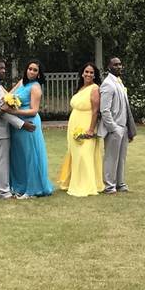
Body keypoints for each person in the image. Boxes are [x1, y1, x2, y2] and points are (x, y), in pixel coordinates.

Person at [0, 57, 34, 200]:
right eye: (0, 68)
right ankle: (5, 193)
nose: (4, 70)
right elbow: (3, 112)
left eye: (4, 68)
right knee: (0, 161)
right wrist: (23, 124)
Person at [57, 62, 104, 197]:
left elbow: (95, 111)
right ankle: (74, 181)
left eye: (91, 72)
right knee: (76, 154)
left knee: (85, 154)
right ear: (82, 73)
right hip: (74, 124)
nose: (88, 74)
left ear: (95, 76)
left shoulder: (95, 89)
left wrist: (90, 129)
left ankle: (87, 185)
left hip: (86, 124)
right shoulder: (80, 87)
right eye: (86, 72)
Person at [8, 60, 53, 198]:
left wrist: (14, 112)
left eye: (35, 70)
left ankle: (32, 189)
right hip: (16, 125)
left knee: (30, 155)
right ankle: (20, 186)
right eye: (30, 69)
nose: (32, 72)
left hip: (29, 123)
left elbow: (34, 110)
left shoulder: (35, 87)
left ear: (39, 74)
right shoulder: (22, 82)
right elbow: (9, 95)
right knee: (18, 156)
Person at [97, 56, 136, 194]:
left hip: (124, 127)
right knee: (111, 158)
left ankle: (120, 184)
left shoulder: (119, 82)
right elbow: (104, 110)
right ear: (109, 67)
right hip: (115, 128)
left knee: (121, 158)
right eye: (115, 65)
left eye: (120, 64)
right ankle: (109, 186)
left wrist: (127, 128)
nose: (119, 67)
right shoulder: (108, 84)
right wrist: (114, 128)